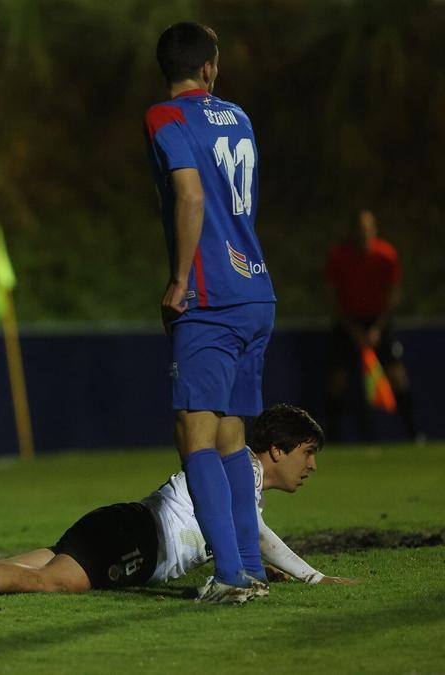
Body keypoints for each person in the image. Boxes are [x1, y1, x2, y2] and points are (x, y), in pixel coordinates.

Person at [0, 404, 358, 605]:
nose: (311, 466)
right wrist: (312, 576)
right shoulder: (241, 467)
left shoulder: (239, 476)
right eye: (308, 454)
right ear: (277, 450)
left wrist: (266, 568)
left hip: (122, 523)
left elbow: (251, 534)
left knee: (6, 568)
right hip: (135, 541)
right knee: (42, 583)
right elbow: (258, 536)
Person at [143, 23, 276, 602]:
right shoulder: (241, 116)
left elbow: (191, 194)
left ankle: (228, 576)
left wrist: (179, 279)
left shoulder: (165, 117)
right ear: (209, 67)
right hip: (256, 293)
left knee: (192, 431)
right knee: (228, 435)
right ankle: (249, 567)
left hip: (210, 298)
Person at [324, 209, 422, 442]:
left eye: (369, 227)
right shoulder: (339, 255)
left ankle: (415, 434)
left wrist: (377, 328)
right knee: (338, 379)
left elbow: (393, 296)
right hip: (349, 323)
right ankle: (333, 437)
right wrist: (355, 330)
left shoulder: (386, 254)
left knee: (397, 377)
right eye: (360, 227)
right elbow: (333, 298)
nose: (364, 232)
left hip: (379, 322)